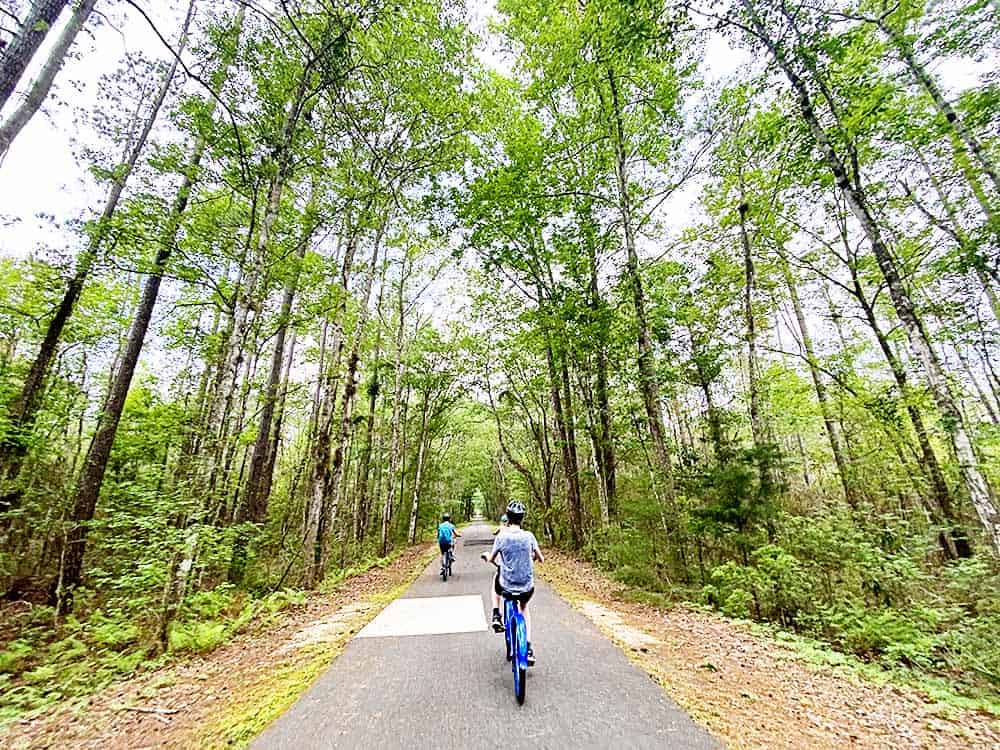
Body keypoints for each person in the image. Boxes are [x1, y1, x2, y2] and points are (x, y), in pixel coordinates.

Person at [481, 500, 543, 666]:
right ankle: (528, 647)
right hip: (526, 588)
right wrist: (532, 558)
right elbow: (540, 558)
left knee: (496, 580)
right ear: (522, 518)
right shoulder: (529, 536)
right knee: (524, 609)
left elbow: (493, 559)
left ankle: (496, 614)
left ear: (507, 518)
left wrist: (487, 556)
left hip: (507, 586)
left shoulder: (501, 536)